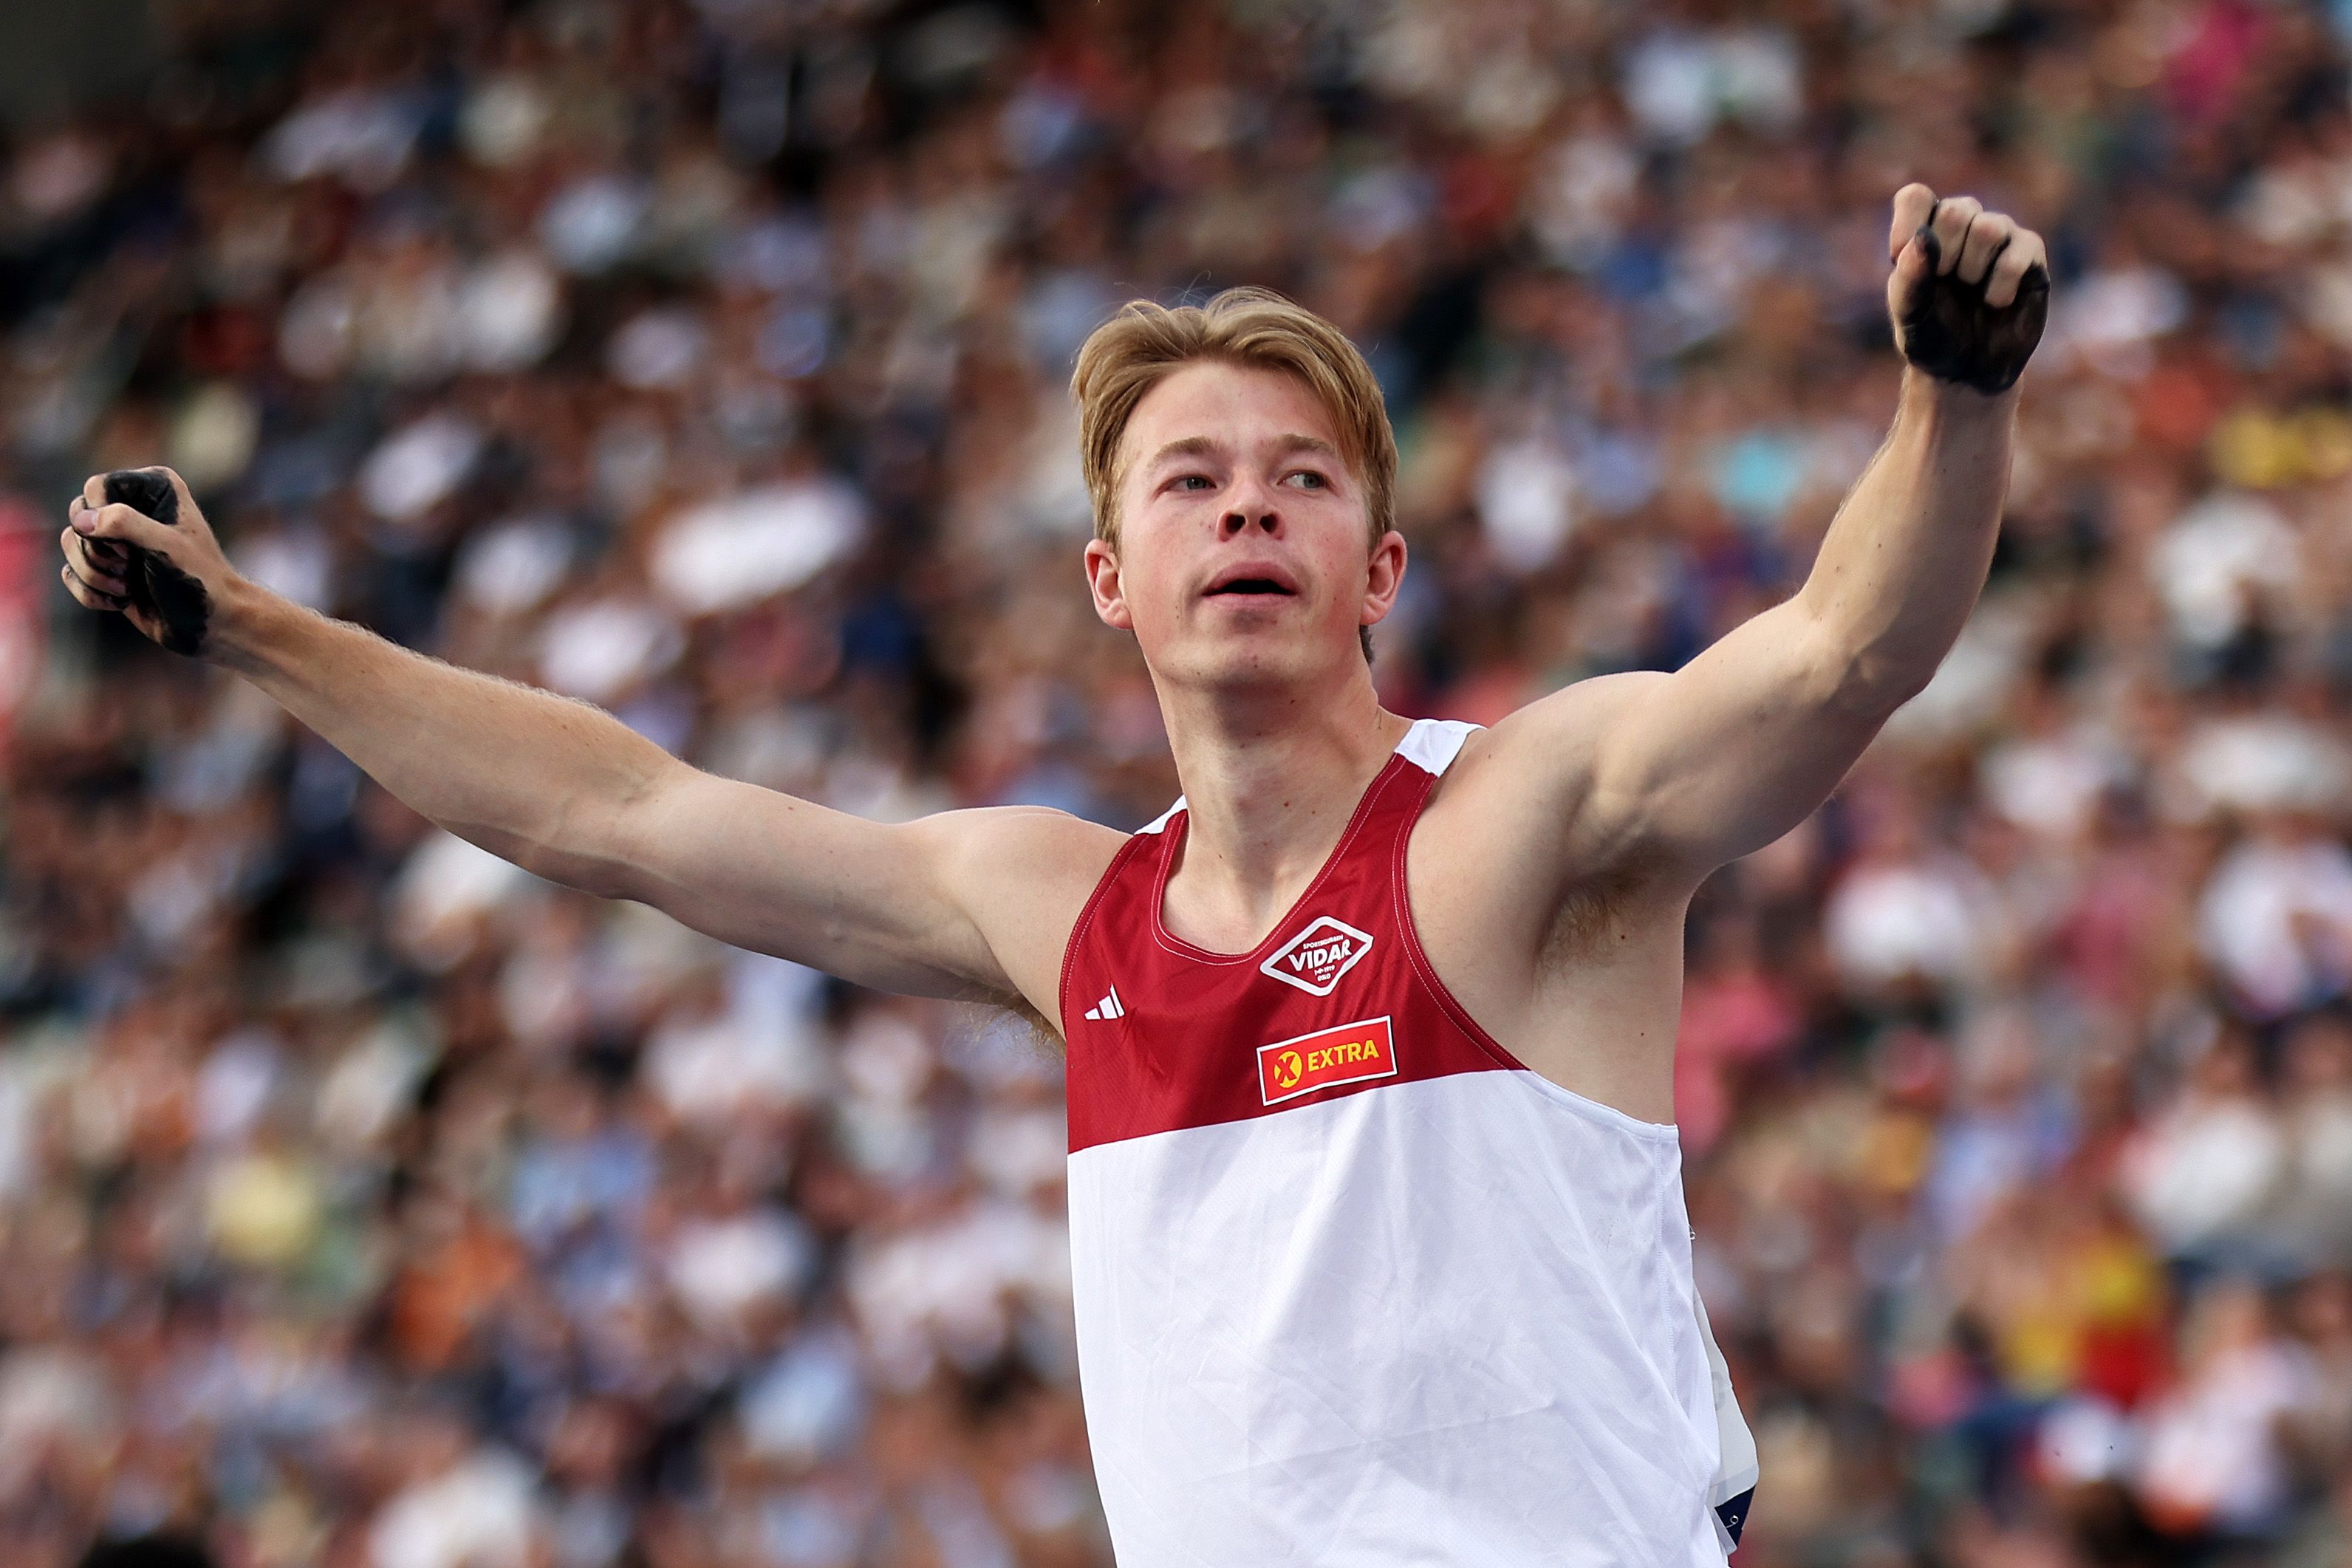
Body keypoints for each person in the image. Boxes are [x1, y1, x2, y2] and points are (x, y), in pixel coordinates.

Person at [59, 184, 2048, 1564]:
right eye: (1189, 479)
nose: (1247, 502)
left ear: (1382, 571)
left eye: (1302, 474)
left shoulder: (1520, 821)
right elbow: (623, 817)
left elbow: (1842, 650)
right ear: (1113, 580)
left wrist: (1953, 399)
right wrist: (255, 630)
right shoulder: (1057, 909)